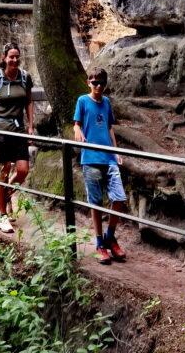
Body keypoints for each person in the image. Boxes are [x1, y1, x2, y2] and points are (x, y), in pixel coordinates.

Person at [73, 67, 127, 265]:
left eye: (101, 83)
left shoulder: (106, 102)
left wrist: (116, 151)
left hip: (109, 158)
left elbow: (109, 127)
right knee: (96, 203)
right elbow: (76, 123)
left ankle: (110, 237)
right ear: (89, 83)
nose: (98, 86)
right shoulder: (82, 100)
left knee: (119, 198)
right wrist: (77, 129)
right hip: (90, 158)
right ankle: (99, 244)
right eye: (95, 83)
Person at [0, 42, 34, 234]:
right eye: (11, 56)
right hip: (0, 130)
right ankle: (3, 216)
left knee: (23, 170)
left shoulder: (25, 77)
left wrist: (31, 126)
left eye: (17, 56)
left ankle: (7, 193)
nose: (15, 60)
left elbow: (28, 102)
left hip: (18, 129)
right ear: (4, 58)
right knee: (5, 170)